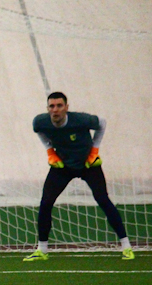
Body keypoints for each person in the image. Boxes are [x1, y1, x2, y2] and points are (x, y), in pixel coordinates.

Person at [25, 92, 134, 261]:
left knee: (103, 199)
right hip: (63, 166)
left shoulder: (81, 120)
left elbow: (102, 123)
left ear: (66, 108)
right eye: (52, 106)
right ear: (47, 108)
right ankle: (42, 250)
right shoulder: (40, 121)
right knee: (46, 202)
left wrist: (94, 150)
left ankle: (126, 247)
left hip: (88, 165)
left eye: (59, 106)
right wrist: (50, 151)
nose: (55, 110)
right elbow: (39, 131)